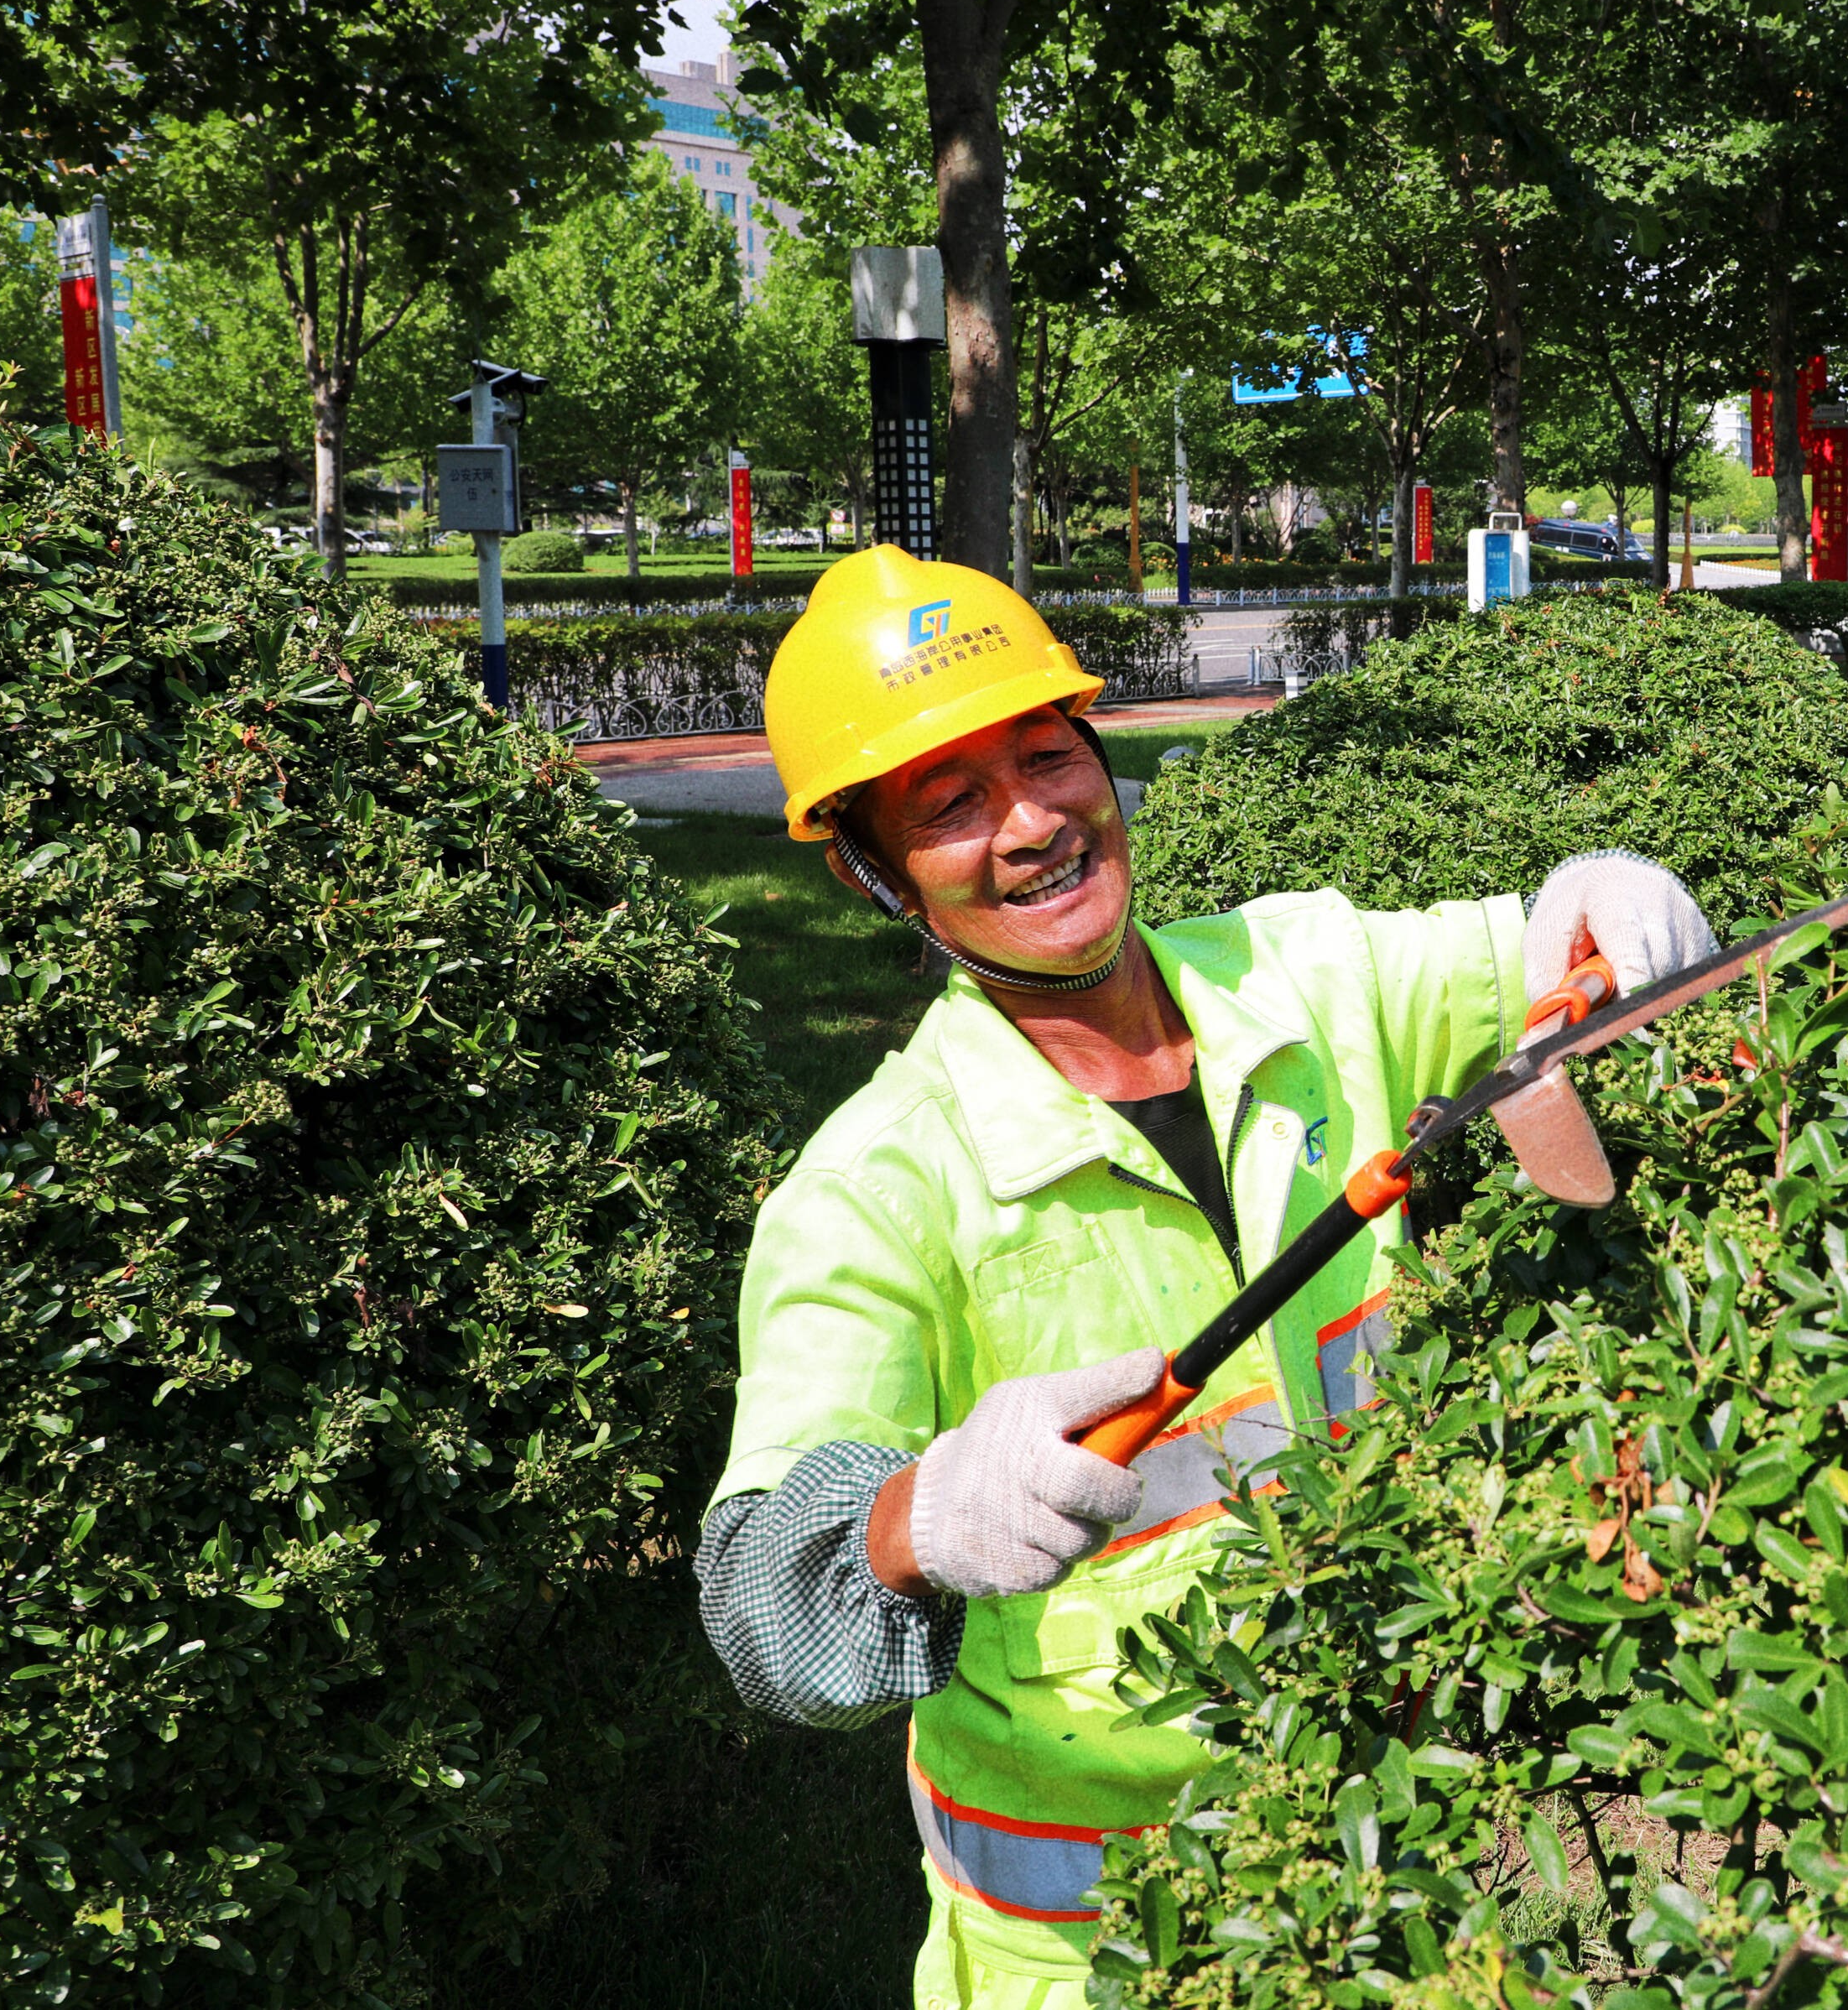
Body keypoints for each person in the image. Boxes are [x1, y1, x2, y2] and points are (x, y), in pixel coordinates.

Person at [696, 546, 1713, 2010]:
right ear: (872, 870)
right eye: (951, 804)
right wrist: (916, 1518)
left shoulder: (1299, 977)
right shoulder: (872, 1193)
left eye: (1047, 756)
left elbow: (1541, 950)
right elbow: (761, 1606)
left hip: (1399, 1878)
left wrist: (1599, 905)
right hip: (1089, 1957)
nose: (1032, 823)